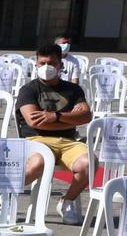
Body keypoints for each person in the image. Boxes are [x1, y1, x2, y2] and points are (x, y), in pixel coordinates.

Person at [14, 40, 92, 225]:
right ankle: (7, 193)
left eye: (52, 63)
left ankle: (67, 201)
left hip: (68, 142)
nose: (47, 67)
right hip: (36, 139)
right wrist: (68, 118)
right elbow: (34, 121)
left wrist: (55, 116)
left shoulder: (73, 89)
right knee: (37, 164)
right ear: (36, 64)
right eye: (42, 63)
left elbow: (86, 115)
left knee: (88, 163)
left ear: (61, 65)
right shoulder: (29, 90)